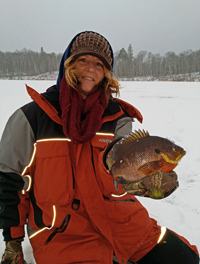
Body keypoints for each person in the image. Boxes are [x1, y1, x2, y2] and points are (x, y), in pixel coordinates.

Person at [0, 31, 199, 264]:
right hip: (65, 240)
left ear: (106, 72)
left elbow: (120, 159)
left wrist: (143, 183)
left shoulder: (119, 117)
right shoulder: (31, 118)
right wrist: (13, 243)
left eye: (99, 63)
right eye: (83, 60)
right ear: (68, 65)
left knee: (187, 260)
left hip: (126, 228)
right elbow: (9, 183)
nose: (90, 68)